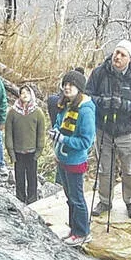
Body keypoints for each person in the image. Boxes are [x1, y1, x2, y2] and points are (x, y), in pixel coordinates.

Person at [85, 40, 131, 219]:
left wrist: (124, 105)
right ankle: (105, 200)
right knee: (105, 168)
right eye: (117, 53)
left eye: (123, 55)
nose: (118, 57)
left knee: (129, 169)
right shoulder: (100, 72)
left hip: (127, 131)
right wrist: (102, 102)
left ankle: (130, 200)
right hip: (103, 128)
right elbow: (87, 96)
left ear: (129, 58)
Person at [49, 70, 96, 247]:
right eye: (65, 84)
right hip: (62, 158)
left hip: (75, 161)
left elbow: (86, 141)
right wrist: (55, 132)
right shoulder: (66, 104)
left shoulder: (85, 110)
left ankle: (83, 232)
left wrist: (63, 139)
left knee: (77, 198)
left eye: (71, 84)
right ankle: (74, 228)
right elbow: (59, 122)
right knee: (69, 197)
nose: (67, 87)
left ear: (79, 88)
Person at [5, 85, 46, 204]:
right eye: (22, 93)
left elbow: (41, 133)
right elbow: (8, 134)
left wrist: (39, 151)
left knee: (32, 177)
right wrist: (11, 152)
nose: (25, 95)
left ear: (31, 94)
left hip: (32, 151)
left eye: (27, 93)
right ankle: (20, 199)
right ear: (19, 95)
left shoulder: (38, 113)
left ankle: (33, 200)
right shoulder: (12, 113)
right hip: (18, 151)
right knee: (19, 176)